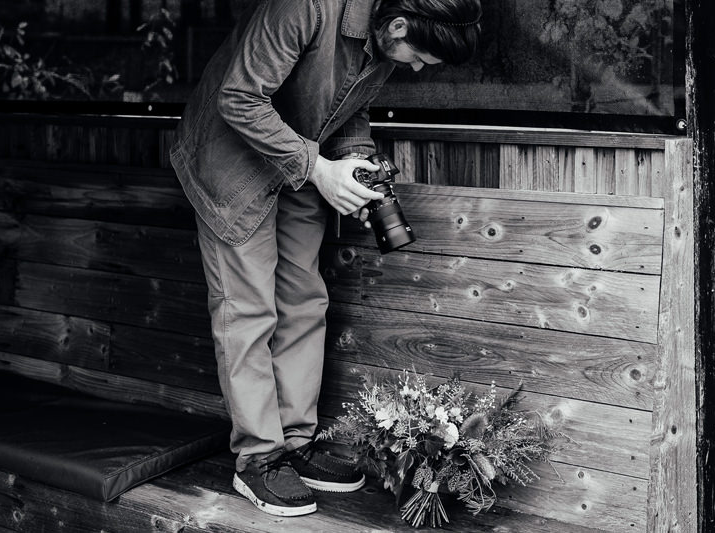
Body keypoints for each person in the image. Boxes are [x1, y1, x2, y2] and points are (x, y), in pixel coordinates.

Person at [169, 0, 481, 517]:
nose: (418, 68)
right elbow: (240, 98)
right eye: (421, 56)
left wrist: (357, 160)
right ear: (400, 25)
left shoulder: (382, 40)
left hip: (299, 161)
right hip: (231, 160)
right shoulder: (305, 6)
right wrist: (318, 168)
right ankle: (259, 459)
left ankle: (295, 444)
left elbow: (348, 109)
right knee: (247, 310)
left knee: (304, 299)